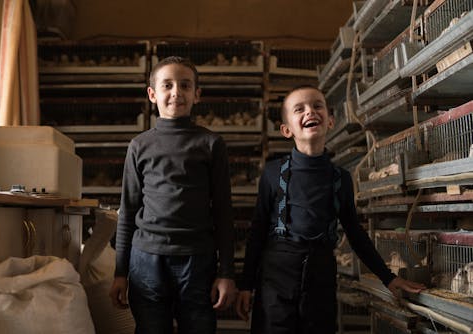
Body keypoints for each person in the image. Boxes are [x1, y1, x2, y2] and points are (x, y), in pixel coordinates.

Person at [235, 85, 426, 334]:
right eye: (299, 109)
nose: (310, 111)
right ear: (286, 130)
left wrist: (388, 277)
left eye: (317, 106)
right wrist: (246, 285)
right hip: (276, 279)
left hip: (320, 275)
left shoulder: (340, 179)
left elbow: (355, 234)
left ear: (331, 121)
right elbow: (258, 231)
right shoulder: (273, 174)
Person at [109, 56, 236, 334]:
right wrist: (120, 272)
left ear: (197, 95)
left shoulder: (211, 144)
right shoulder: (139, 146)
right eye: (167, 85)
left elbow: (224, 212)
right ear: (153, 94)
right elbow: (128, 210)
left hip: (197, 259)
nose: (176, 92)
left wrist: (226, 272)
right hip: (146, 259)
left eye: (185, 85)